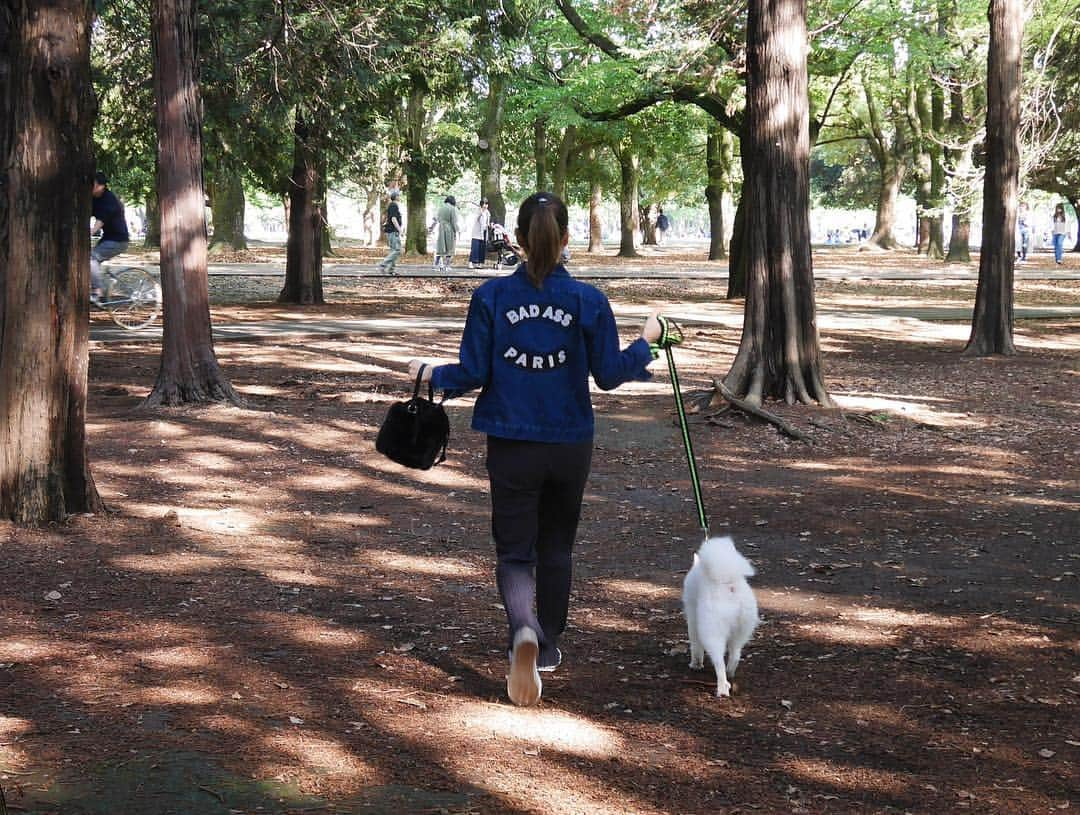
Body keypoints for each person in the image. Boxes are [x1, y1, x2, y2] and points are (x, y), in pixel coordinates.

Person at [407, 192, 663, 707]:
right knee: (558, 548)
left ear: (517, 240)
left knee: (515, 551)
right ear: (565, 238)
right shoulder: (589, 301)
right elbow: (609, 376)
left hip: (512, 442)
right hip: (570, 444)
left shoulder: (491, 298)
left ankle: (523, 627)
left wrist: (433, 375)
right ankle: (544, 648)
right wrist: (647, 341)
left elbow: (475, 372)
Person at [91, 171, 130, 302]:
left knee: (91, 259)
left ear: (101, 186)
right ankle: (100, 288)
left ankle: (98, 292)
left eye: (93, 184)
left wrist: (90, 232)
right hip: (108, 238)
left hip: (118, 240)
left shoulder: (109, 199)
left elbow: (101, 220)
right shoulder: (94, 199)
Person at [377, 190, 403, 275]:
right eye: (399, 195)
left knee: (393, 250)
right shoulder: (394, 205)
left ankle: (391, 270)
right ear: (396, 197)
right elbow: (393, 219)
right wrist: (399, 230)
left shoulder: (392, 205)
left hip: (391, 231)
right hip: (393, 231)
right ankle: (383, 264)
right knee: (397, 250)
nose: (400, 197)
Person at [431, 195, 459, 271]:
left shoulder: (441, 208)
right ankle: (447, 266)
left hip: (441, 228)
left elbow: (437, 218)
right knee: (450, 248)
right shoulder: (452, 209)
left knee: (441, 247)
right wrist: (456, 230)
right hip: (449, 228)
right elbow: (454, 221)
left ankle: (436, 265)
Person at [468, 198, 490, 269]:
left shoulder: (487, 213)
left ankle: (480, 263)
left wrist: (489, 225)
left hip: (484, 232)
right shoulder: (478, 211)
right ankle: (471, 262)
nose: (485, 205)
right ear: (481, 205)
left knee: (482, 248)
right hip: (477, 233)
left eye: (486, 204)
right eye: (484, 204)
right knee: (475, 248)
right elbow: (475, 219)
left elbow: (487, 223)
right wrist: (480, 213)